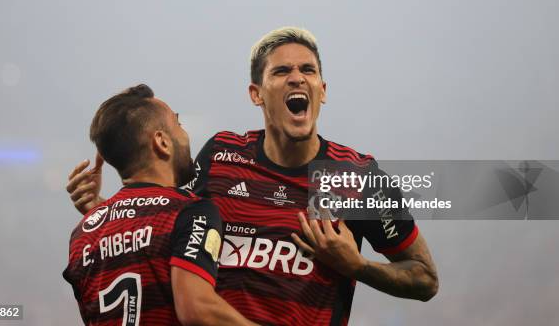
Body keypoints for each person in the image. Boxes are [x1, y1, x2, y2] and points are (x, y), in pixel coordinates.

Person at [67, 28, 438, 325]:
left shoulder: (356, 176)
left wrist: (357, 266)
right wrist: (109, 212)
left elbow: (425, 279)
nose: (297, 78)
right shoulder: (222, 155)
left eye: (308, 70)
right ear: (256, 94)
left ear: (322, 91)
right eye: (281, 71)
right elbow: (167, 223)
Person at [63, 84, 257, 326]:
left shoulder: (82, 234)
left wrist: (105, 214)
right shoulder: (191, 210)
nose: (185, 134)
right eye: (178, 124)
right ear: (162, 142)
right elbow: (197, 309)